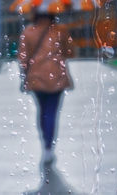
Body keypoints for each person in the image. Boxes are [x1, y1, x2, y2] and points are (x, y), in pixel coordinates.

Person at [18, 12, 75, 163]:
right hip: (56, 78)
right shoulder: (61, 30)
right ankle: (49, 147)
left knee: (42, 111)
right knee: (52, 112)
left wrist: (25, 74)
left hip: (36, 78)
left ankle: (45, 143)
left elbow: (23, 59)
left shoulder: (28, 32)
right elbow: (70, 52)